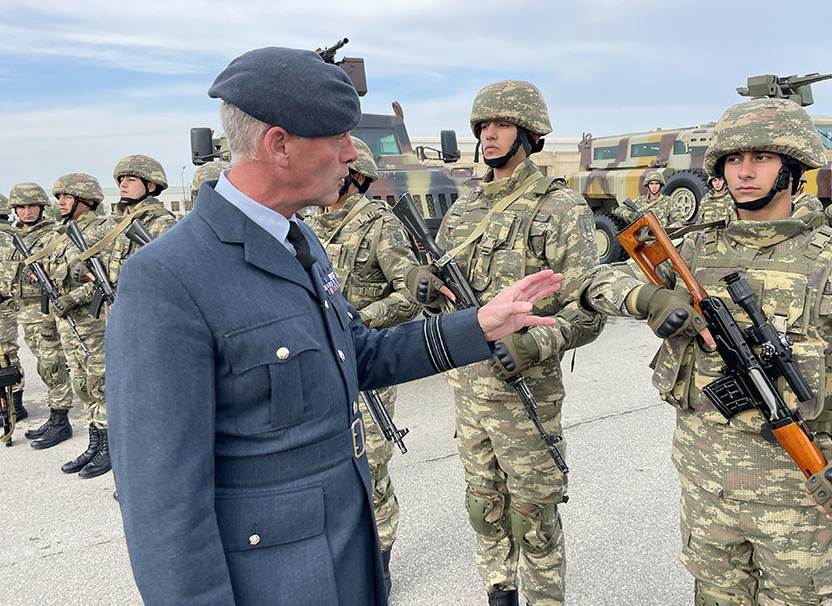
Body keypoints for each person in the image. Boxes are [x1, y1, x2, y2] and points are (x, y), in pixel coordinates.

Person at [105, 47, 563, 606]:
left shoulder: (299, 240)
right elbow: (163, 507)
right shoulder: (167, 277)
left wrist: (480, 324)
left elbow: (358, 354)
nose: (352, 154)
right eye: (338, 137)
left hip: (348, 559)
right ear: (279, 145)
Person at [581, 98, 832, 605]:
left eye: (761, 158)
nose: (744, 172)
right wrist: (647, 298)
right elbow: (593, 281)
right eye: (733, 159)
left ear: (793, 168)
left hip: (798, 502)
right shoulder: (692, 250)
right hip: (706, 492)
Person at [411, 80, 603, 606]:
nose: (488, 135)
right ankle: (499, 593)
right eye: (483, 127)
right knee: (483, 508)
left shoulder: (559, 209)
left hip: (525, 393)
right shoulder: (463, 211)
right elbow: (444, 301)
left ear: (530, 134)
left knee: (532, 519)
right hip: (469, 393)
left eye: (501, 125)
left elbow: (588, 309)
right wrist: (423, 286)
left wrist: (534, 344)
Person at [306, 137, 418, 595]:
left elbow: (410, 293)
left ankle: (380, 560)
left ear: (356, 177)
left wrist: (357, 321)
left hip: (364, 366)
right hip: (318, 366)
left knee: (371, 469)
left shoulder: (380, 225)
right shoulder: (307, 225)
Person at [41, 173, 112, 478]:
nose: (60, 202)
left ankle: (109, 446)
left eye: (67, 197)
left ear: (87, 201)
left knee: (100, 384)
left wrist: (71, 299)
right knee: (82, 384)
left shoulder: (100, 230)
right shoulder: (61, 233)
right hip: (68, 325)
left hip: (93, 324)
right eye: (59, 197)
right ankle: (94, 443)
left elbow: (104, 278)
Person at [0, 183, 73, 448]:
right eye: (21, 207)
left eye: (32, 206)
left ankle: (61, 420)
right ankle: (54, 417)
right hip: (23, 311)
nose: (27, 212)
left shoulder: (53, 235)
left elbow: (67, 267)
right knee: (44, 365)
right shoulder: (15, 237)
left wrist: (49, 271)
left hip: (46, 311)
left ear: (41, 207)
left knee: (52, 365)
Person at [104, 155, 178, 286]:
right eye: (121, 179)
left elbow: (172, 274)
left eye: (131, 180)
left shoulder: (163, 224)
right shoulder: (117, 222)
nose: (123, 184)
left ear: (151, 186)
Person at [0, 193, 26, 421]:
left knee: (6, 354)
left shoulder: (4, 238)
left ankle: (13, 405)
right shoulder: (13, 235)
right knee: (7, 353)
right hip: (7, 303)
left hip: (3, 304)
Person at [614, 170, 684, 228]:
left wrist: (666, 230)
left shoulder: (668, 202)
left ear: (660, 185)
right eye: (651, 184)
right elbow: (618, 210)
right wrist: (631, 215)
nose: (654, 187)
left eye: (657, 184)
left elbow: (681, 221)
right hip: (643, 238)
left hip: (661, 237)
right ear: (648, 185)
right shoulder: (640, 201)